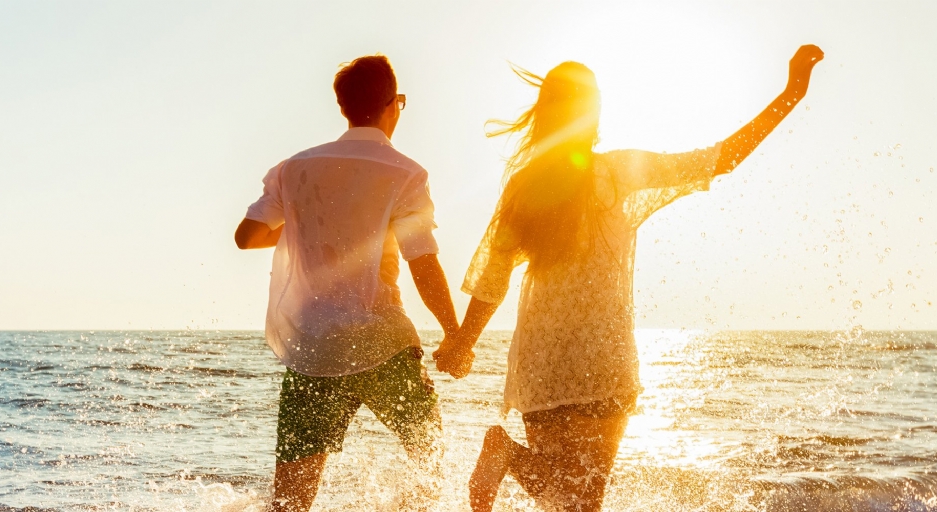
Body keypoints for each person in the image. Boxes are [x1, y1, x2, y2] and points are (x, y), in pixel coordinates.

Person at [434, 45, 824, 511]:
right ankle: (507, 455)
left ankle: (510, 457)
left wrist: (463, 342)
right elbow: (720, 159)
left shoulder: (525, 186)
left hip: (543, 359)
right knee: (582, 501)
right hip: (601, 355)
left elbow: (492, 278)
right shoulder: (617, 174)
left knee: (565, 498)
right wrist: (792, 93)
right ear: (593, 111)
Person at [234, 55, 459, 511]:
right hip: (382, 344)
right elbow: (423, 262)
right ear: (394, 104)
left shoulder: (295, 168)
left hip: (312, 347)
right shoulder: (405, 173)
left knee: (290, 502)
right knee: (432, 465)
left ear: (343, 108)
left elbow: (247, 236)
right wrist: (455, 334)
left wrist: (304, 227)